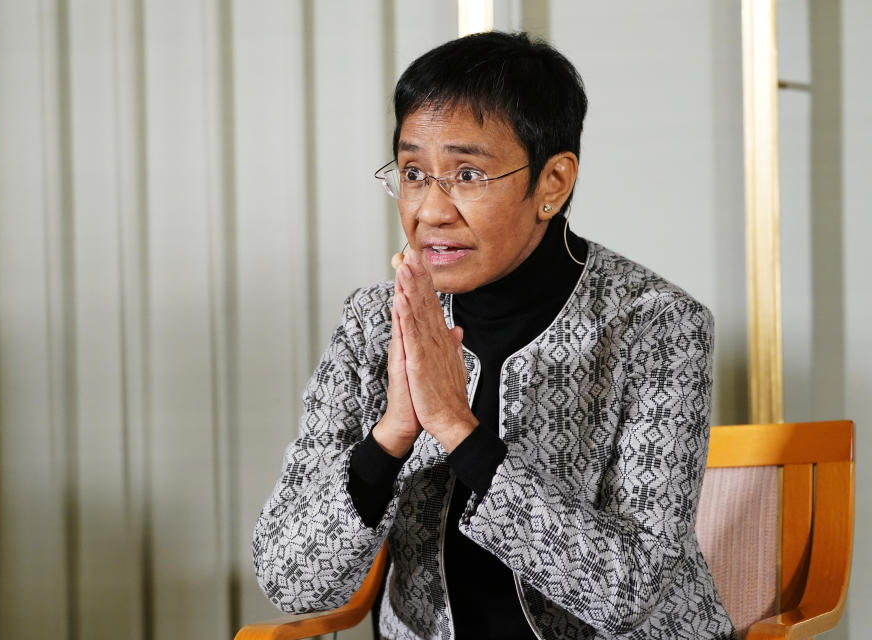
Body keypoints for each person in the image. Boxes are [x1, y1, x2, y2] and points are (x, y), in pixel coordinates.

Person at [252, 31, 736, 640]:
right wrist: (393, 434)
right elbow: (292, 581)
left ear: (552, 183)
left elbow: (626, 592)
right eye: (412, 172)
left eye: (467, 174)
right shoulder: (374, 324)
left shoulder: (656, 324)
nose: (429, 210)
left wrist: (459, 430)